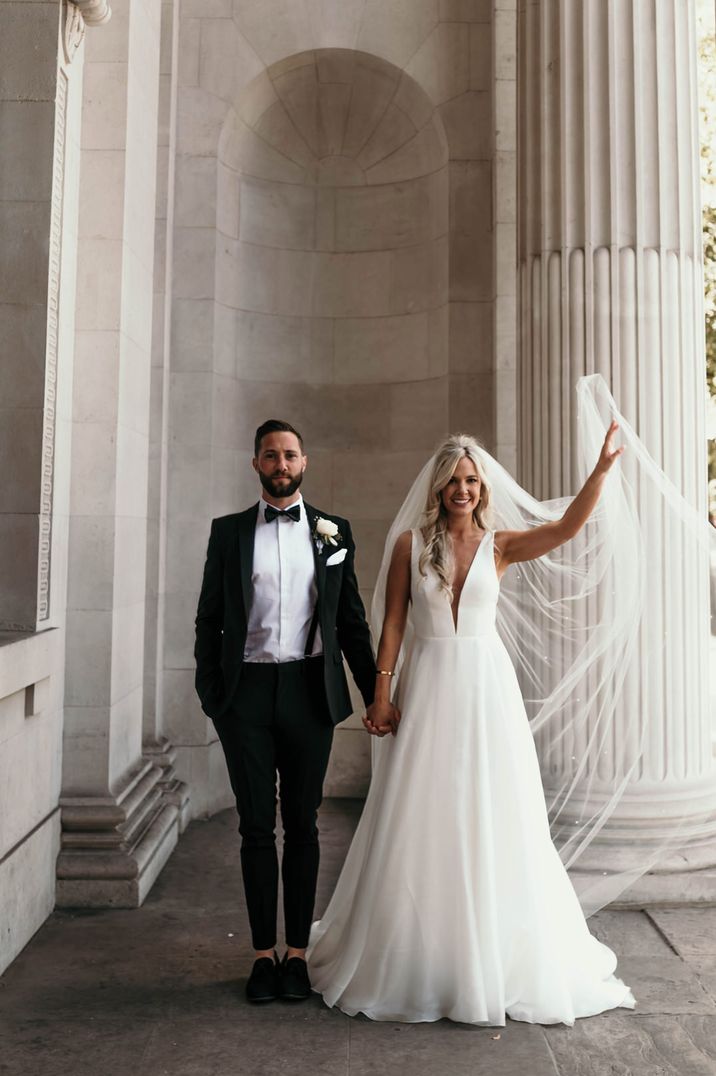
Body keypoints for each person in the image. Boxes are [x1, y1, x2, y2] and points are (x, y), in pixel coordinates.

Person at [307, 418, 638, 1026]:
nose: (462, 489)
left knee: (493, 811)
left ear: (482, 488)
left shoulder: (502, 545)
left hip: (487, 693)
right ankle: (415, 954)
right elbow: (395, 626)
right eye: (454, 480)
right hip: (428, 685)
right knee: (421, 811)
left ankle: (490, 952)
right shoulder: (410, 544)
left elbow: (566, 528)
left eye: (471, 480)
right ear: (438, 487)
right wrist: (380, 694)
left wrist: (600, 472)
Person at [194, 419, 382, 1004]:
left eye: (291, 455)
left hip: (308, 691)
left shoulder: (333, 533)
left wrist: (376, 691)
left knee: (302, 824)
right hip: (244, 696)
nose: (281, 464)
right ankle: (260, 956)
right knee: (255, 827)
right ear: (256, 464)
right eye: (271, 456)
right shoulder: (228, 533)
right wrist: (213, 695)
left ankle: (296, 955)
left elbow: (349, 620)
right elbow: (208, 618)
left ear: (306, 463)